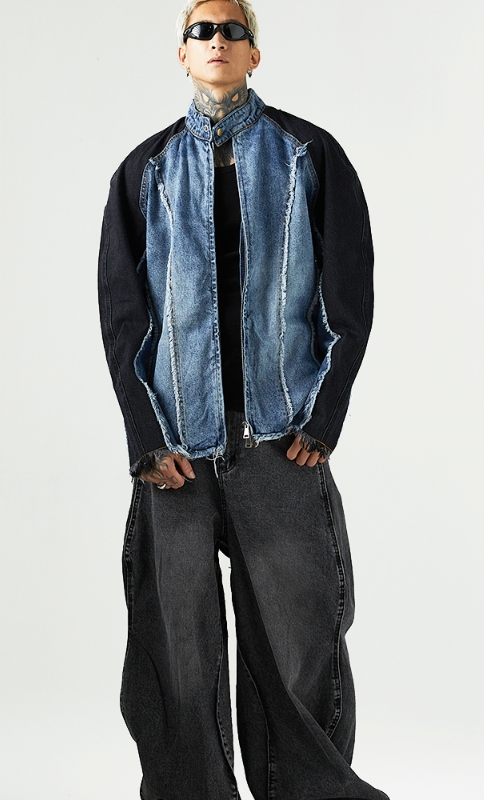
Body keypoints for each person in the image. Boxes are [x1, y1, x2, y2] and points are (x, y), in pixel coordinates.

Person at [98, 2, 387, 798]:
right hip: (176, 456)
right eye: (202, 31)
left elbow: (349, 300)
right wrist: (145, 437)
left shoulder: (308, 155)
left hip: (281, 445)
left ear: (255, 54)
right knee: (177, 658)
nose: (217, 41)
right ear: (181, 54)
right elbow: (123, 317)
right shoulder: (145, 171)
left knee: (299, 648)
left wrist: (323, 419)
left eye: (233, 31)